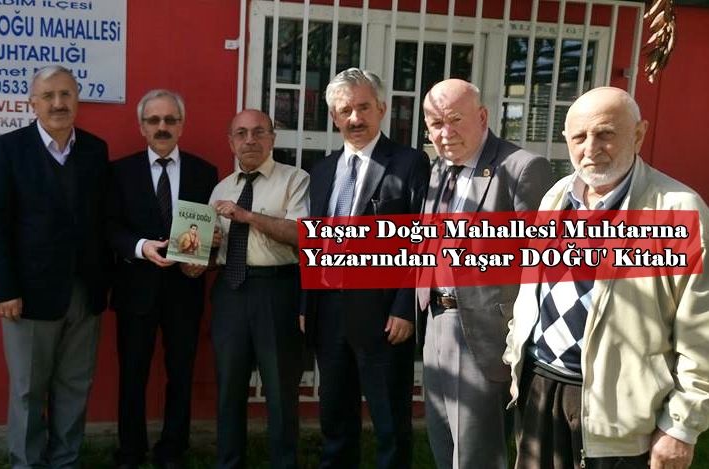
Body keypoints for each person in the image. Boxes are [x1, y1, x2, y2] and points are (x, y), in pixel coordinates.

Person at [503, 86, 709, 469]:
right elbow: (532, 290)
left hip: (620, 412)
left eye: (606, 134)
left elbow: (702, 332)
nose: (591, 148)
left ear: (639, 134)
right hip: (540, 387)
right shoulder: (556, 197)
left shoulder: (679, 209)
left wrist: (682, 426)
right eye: (579, 137)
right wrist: (515, 350)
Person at [0, 65, 111, 469]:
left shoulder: (95, 149)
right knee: (28, 391)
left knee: (75, 386)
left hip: (84, 293)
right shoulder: (8, 149)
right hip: (28, 296)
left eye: (66, 94)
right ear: (33, 102)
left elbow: (103, 219)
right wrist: (4, 289)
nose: (58, 103)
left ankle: (65, 462)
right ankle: (27, 463)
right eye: (49, 95)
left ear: (77, 100)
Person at [417, 79, 553, 468]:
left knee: (477, 452)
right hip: (436, 320)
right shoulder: (439, 168)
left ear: (482, 117)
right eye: (436, 124)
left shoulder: (522, 168)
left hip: (484, 331)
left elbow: (541, 262)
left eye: (455, 120)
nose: (445, 133)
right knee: (443, 440)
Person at [301, 68, 430, 469]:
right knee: (335, 415)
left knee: (389, 419)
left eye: (363, 107)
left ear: (382, 109)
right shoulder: (322, 170)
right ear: (334, 117)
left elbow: (422, 240)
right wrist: (307, 304)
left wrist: (405, 307)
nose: (355, 118)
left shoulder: (409, 163)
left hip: (384, 314)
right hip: (328, 311)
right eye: (345, 111)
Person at [107, 89, 218, 469]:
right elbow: (110, 227)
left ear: (181, 125)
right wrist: (140, 247)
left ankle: (172, 450)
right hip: (135, 288)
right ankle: (130, 451)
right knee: (132, 375)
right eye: (153, 120)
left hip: (185, 290)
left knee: (181, 374)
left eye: (170, 119)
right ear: (142, 127)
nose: (162, 127)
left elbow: (208, 229)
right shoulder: (120, 172)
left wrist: (202, 260)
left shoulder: (205, 173)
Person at [209, 109, 309, 469]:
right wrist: (202, 254)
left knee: (281, 390)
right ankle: (229, 463)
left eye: (258, 132)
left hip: (276, 290)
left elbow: (301, 235)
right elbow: (212, 250)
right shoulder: (221, 188)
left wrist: (247, 216)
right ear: (231, 142)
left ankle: (283, 463)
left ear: (272, 139)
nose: (249, 140)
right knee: (229, 388)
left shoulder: (295, 179)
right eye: (241, 133)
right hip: (230, 290)